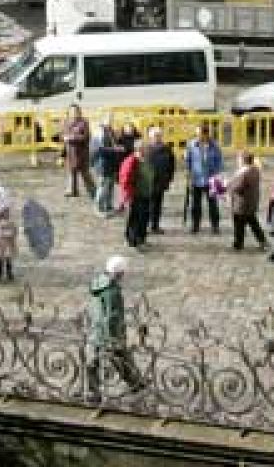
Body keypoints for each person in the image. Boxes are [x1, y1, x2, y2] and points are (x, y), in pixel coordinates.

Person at [86, 256, 144, 400]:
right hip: (107, 331)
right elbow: (112, 316)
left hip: (96, 327)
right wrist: (116, 337)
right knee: (119, 355)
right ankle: (135, 383)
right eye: (123, 273)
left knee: (93, 359)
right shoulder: (112, 291)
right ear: (119, 273)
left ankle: (93, 391)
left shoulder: (99, 281)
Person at [182, 126, 222, 234]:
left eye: (200, 134)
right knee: (196, 205)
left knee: (213, 204)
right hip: (196, 179)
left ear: (206, 135)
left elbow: (219, 161)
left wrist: (216, 175)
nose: (198, 136)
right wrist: (188, 175)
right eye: (197, 134)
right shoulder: (191, 145)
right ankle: (195, 226)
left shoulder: (215, 145)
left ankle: (215, 226)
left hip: (210, 179)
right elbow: (187, 161)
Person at [225, 151, 267, 251]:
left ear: (243, 161)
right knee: (253, 222)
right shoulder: (255, 170)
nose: (237, 161)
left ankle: (238, 244)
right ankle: (262, 240)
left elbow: (238, 187)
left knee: (239, 225)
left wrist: (227, 185)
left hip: (242, 203)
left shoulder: (244, 173)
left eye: (239, 159)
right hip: (251, 202)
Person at [119, 143, 154, 250]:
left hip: (146, 194)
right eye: (145, 149)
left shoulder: (146, 160)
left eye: (147, 149)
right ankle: (132, 241)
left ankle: (141, 239)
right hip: (135, 195)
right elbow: (125, 180)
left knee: (144, 218)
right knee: (134, 219)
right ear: (139, 149)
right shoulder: (131, 161)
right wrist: (127, 197)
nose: (148, 151)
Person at [144, 128, 176, 235]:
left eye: (159, 135)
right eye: (155, 136)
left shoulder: (167, 149)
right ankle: (146, 226)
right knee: (148, 205)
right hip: (148, 182)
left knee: (158, 205)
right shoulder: (145, 149)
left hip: (161, 182)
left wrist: (169, 178)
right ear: (150, 137)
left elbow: (172, 165)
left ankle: (155, 226)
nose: (157, 137)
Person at [62, 105, 95, 199]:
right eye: (72, 111)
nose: (74, 113)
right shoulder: (65, 122)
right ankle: (72, 190)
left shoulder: (84, 122)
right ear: (69, 112)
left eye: (76, 111)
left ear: (79, 111)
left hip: (82, 151)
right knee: (71, 172)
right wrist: (64, 138)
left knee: (85, 173)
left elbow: (87, 136)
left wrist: (73, 137)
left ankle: (92, 191)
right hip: (70, 151)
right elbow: (62, 134)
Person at [92, 123, 122, 216]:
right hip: (103, 165)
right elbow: (98, 149)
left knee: (110, 187)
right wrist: (115, 149)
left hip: (112, 165)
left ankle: (108, 206)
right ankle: (98, 209)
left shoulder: (111, 131)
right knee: (102, 187)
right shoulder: (98, 132)